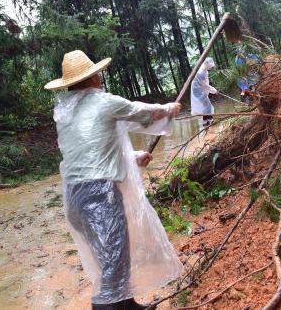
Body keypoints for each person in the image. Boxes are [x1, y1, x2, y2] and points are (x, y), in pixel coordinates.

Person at [45, 50, 183, 310]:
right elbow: (141, 112)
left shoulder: (66, 113)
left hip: (75, 198)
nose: (100, 78)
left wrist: (132, 157)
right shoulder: (103, 102)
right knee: (113, 260)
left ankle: (127, 304)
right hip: (99, 195)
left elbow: (92, 152)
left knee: (112, 256)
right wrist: (168, 109)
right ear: (93, 77)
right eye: (97, 74)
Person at [190, 57, 217, 127]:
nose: (211, 67)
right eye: (210, 66)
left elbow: (205, 84)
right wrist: (213, 90)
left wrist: (211, 90)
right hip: (197, 91)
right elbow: (205, 85)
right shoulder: (201, 72)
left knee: (205, 106)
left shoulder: (205, 71)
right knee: (207, 105)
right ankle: (210, 122)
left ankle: (206, 122)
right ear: (206, 64)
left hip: (200, 89)